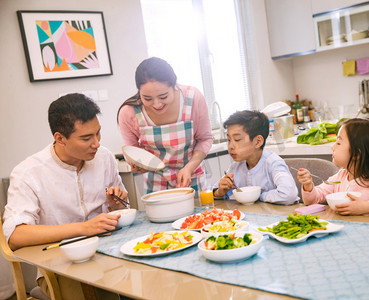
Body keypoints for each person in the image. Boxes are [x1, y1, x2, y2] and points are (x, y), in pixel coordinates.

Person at [2, 93, 127, 299]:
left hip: (109, 252)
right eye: (86, 138)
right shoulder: (29, 173)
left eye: (98, 133)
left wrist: (116, 204)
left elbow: (121, 210)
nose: (96, 143)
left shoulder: (104, 157)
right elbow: (16, 236)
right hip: (60, 264)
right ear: (60, 138)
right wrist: (83, 228)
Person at [117, 57, 213, 193]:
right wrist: (138, 163)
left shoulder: (192, 98)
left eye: (163, 96)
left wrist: (189, 168)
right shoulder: (129, 112)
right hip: (156, 182)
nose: (157, 104)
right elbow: (131, 149)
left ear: (174, 85)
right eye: (147, 98)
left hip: (191, 176)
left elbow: (205, 139)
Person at [296, 118, 369, 215]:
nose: (332, 146)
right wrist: (308, 186)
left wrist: (367, 207)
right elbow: (313, 200)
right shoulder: (339, 177)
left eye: (338, 143)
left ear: (356, 154)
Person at [213, 110, 298, 205]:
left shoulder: (273, 163)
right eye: (229, 140)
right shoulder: (235, 167)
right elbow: (212, 191)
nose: (231, 146)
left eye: (237, 140)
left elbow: (289, 194)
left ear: (258, 142)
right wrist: (220, 192)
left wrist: (257, 195)